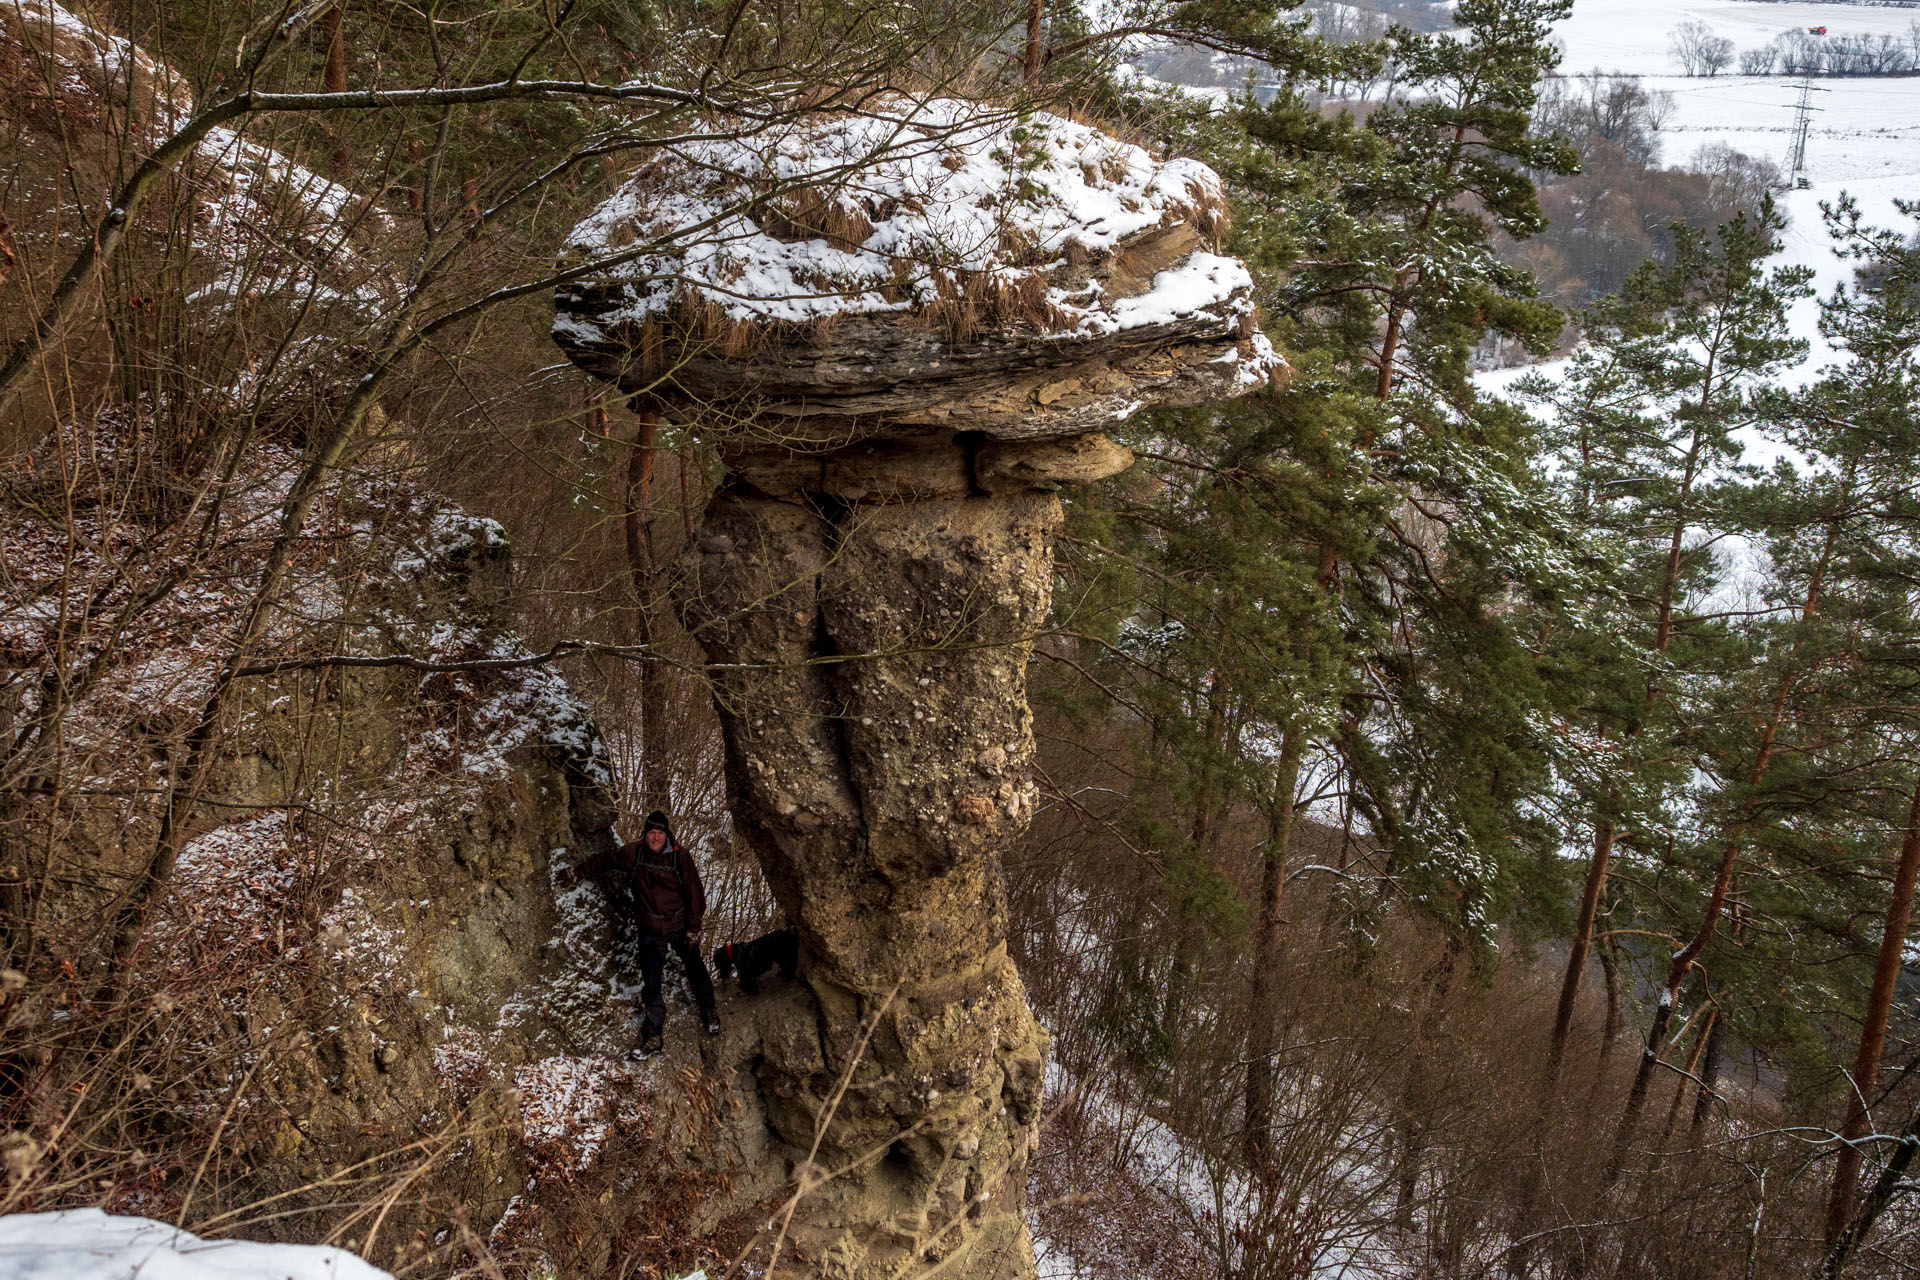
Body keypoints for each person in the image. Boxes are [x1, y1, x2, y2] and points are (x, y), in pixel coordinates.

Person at [558, 809, 720, 1059]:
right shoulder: (633, 854)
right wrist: (577, 873)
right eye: (651, 833)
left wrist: (694, 927)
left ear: (667, 835)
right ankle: (653, 1038)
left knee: (695, 966)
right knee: (652, 984)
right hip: (650, 931)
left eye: (659, 833)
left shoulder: (681, 858)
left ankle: (708, 1009)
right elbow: (605, 860)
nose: (655, 838)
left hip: (678, 926)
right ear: (644, 835)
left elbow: (695, 893)